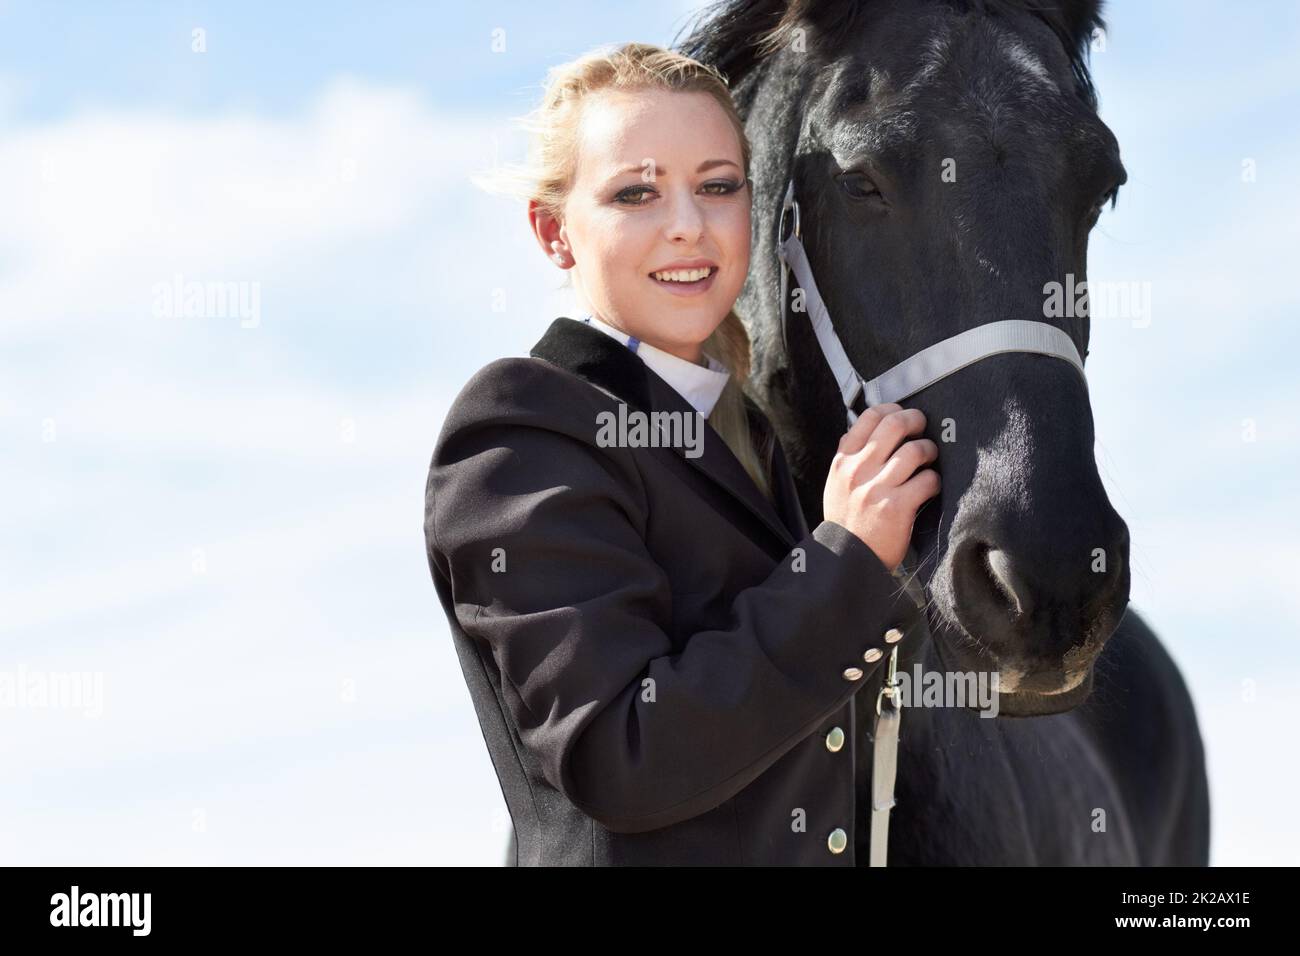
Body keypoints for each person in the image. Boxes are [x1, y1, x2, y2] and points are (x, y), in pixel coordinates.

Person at [424, 41, 940, 865]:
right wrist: (844, 561)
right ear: (555, 233)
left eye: (717, 186)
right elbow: (626, 757)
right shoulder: (521, 427)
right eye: (636, 193)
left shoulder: (756, 437)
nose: (688, 227)